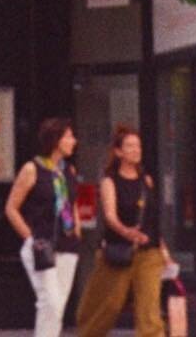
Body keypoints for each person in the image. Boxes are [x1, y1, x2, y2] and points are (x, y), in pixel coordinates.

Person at [75, 124, 167, 337]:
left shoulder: (147, 181)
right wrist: (127, 232)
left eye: (138, 145)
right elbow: (110, 216)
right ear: (118, 152)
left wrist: (164, 252)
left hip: (149, 253)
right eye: (130, 146)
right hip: (119, 251)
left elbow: (153, 221)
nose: (136, 150)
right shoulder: (110, 181)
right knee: (110, 304)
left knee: (149, 310)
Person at [6, 117, 82, 337]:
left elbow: (72, 203)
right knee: (50, 301)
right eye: (69, 136)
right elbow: (11, 208)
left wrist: (76, 230)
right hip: (41, 244)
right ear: (56, 140)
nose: (74, 141)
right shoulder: (32, 169)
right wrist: (30, 238)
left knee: (57, 307)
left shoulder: (69, 170)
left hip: (67, 246)